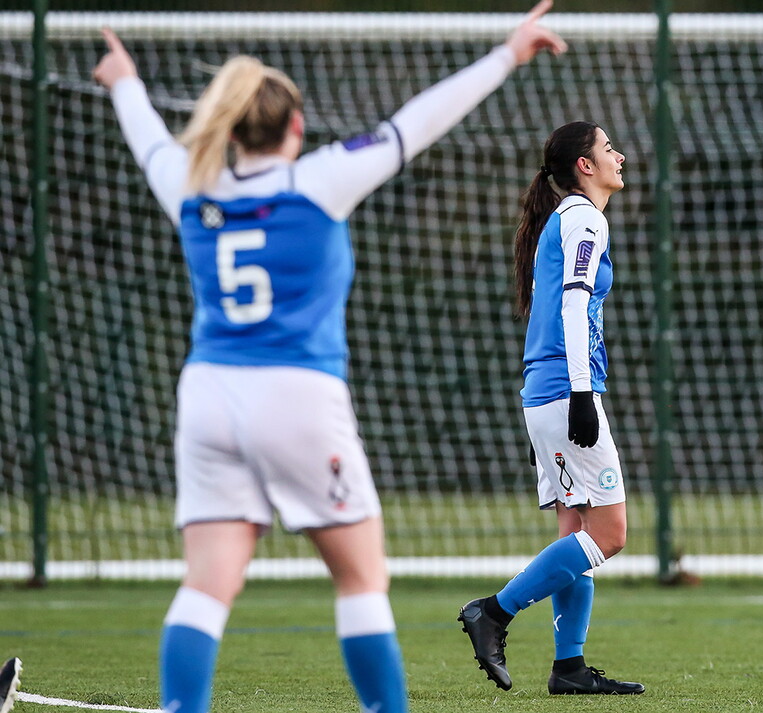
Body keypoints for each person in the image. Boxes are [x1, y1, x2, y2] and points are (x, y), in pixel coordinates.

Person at [92, 7, 565, 713]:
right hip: (296, 394)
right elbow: (419, 120)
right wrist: (506, 54)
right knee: (360, 577)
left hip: (209, 395)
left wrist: (124, 80)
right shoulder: (317, 181)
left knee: (207, 584)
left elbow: (149, 141)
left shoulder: (192, 188)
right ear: (294, 128)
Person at [458, 121, 643, 695]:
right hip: (565, 390)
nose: (618, 155)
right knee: (609, 534)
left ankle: (569, 668)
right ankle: (494, 611)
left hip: (547, 389)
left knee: (576, 531)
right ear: (585, 166)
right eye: (607, 147)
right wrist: (585, 395)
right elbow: (573, 303)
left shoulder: (566, 219)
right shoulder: (585, 218)